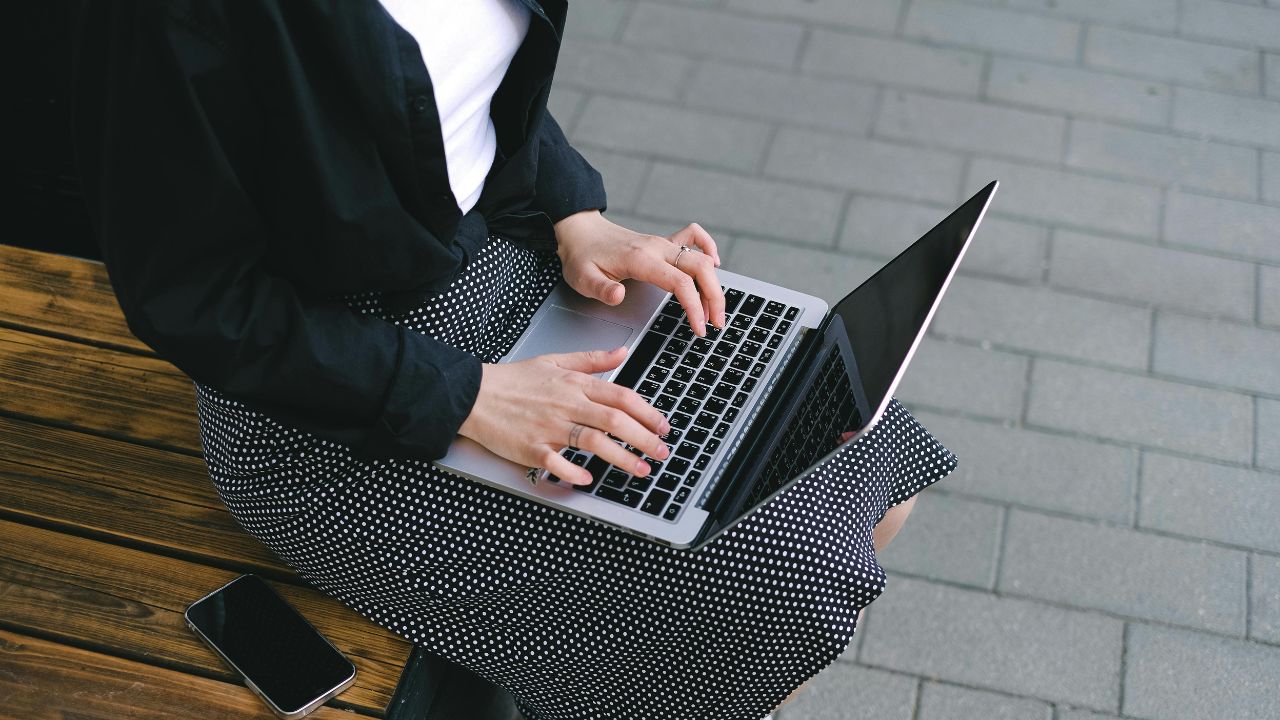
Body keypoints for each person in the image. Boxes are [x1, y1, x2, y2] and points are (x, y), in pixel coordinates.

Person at [71, 1, 956, 718]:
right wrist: (468, 397)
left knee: (869, 462)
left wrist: (576, 217)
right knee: (784, 589)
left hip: (500, 273)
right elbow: (192, 299)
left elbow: (467, 92)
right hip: (332, 408)